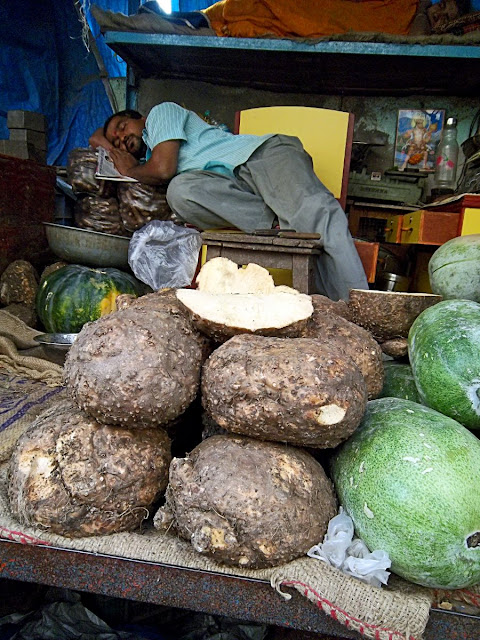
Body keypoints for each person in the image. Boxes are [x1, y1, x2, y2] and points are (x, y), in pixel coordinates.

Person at [89, 102, 369, 301]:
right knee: (180, 192)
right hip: (237, 188)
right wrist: (113, 149)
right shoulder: (152, 160)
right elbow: (94, 139)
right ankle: (276, 224)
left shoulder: (160, 115)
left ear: (139, 117)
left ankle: (360, 313)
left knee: (317, 216)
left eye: (123, 126)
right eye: (117, 141)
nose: (122, 137)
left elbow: (163, 168)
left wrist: (129, 169)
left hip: (261, 157)